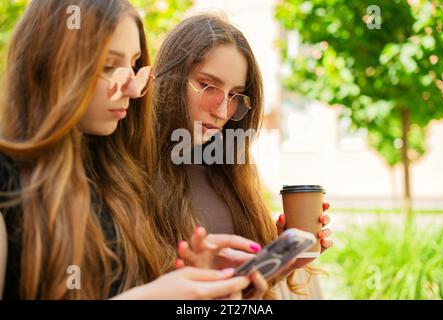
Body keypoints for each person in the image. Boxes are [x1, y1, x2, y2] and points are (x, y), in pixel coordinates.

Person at [0, 0, 262, 300]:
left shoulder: (112, 178)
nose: (133, 88)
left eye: (135, 65)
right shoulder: (10, 181)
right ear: (51, 64)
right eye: (109, 66)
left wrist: (209, 286)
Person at [151, 13, 332, 299]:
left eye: (235, 95)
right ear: (170, 78)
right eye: (209, 87)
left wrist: (278, 268)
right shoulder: (131, 173)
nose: (222, 112)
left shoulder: (229, 170)